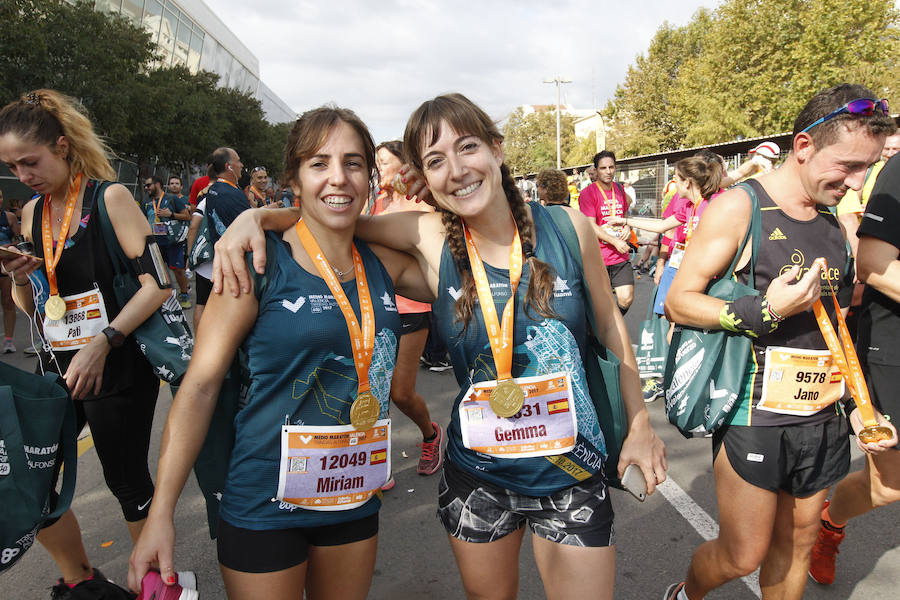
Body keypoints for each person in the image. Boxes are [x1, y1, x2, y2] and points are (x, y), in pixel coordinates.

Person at [212, 92, 667, 600]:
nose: (456, 169)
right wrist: (256, 219)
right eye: (435, 161)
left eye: (467, 147)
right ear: (424, 180)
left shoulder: (565, 226)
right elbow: (330, 218)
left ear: (496, 149)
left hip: (570, 465)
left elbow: (610, 326)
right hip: (479, 474)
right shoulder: (430, 236)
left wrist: (641, 422)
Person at [128, 106, 431, 600]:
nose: (339, 177)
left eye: (354, 163)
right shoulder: (258, 261)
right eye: (319, 164)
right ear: (293, 176)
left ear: (371, 176)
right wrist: (160, 515)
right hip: (265, 501)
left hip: (353, 493)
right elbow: (200, 386)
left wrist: (436, 187)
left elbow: (464, 255)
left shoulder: (384, 263)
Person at [662, 84, 895, 600]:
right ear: (804, 146)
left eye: (869, 168)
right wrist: (763, 310)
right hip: (756, 412)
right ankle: (686, 594)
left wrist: (861, 404)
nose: (858, 184)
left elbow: (837, 319)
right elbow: (680, 301)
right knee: (740, 554)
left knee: (799, 540)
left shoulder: (838, 219)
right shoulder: (740, 207)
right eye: (850, 167)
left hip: (823, 410)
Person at [0, 89, 173, 594]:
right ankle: (79, 582)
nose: (23, 175)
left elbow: (159, 284)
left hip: (116, 364)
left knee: (127, 482)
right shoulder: (31, 214)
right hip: (58, 366)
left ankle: (158, 588)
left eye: (30, 161)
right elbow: (36, 305)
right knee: (30, 478)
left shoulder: (110, 198)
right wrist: (18, 277)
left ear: (62, 145)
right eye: (12, 166)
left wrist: (105, 341)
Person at [808, 151, 900, 585]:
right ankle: (828, 526)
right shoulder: (898, 171)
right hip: (893, 345)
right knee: (888, 487)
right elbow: (873, 266)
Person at [608, 154, 723, 403]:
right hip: (687, 277)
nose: (674, 183)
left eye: (677, 179)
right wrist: (624, 220)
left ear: (688, 183)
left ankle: (703, 391)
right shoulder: (688, 208)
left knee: (700, 336)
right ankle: (672, 382)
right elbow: (661, 227)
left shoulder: (716, 203)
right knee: (674, 330)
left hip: (711, 282)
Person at [372, 139, 443, 479]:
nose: (378, 168)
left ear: (403, 165)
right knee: (372, 390)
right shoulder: (375, 205)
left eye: (383, 162)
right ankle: (375, 461)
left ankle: (430, 435)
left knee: (400, 392)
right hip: (375, 309)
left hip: (413, 307)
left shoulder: (423, 204)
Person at [187, 147, 251, 332]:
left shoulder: (212, 190)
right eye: (238, 161)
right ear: (228, 166)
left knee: (201, 304)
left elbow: (195, 225)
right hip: (225, 262)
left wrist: (190, 256)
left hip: (206, 261)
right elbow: (247, 226)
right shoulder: (231, 194)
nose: (241, 165)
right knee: (224, 308)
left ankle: (199, 345)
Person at [577, 150, 634, 314]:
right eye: (603, 168)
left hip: (620, 255)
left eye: (611, 167)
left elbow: (624, 215)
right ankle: (600, 333)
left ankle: (610, 328)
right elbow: (591, 226)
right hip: (598, 257)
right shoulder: (588, 193)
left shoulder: (620, 189)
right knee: (599, 305)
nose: (608, 171)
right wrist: (614, 240)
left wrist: (628, 228)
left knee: (626, 298)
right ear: (595, 170)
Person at [143, 175, 192, 308]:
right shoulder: (147, 203)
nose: (146, 188)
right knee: (160, 271)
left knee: (178, 270)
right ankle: (166, 297)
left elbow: (187, 216)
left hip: (173, 242)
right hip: (156, 242)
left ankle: (184, 294)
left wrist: (171, 214)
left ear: (158, 184)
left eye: (148, 185)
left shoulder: (172, 199)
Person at [0, 188, 21, 352]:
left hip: (5, 266)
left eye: (0, 197)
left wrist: (8, 247)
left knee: (8, 301)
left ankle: (8, 340)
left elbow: (20, 241)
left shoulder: (9, 217)